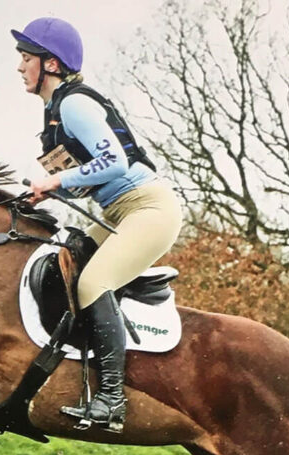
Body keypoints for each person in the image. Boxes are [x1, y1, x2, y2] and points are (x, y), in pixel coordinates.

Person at [13, 17, 182, 431]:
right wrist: (49, 192)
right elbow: (88, 178)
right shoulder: (54, 115)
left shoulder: (73, 103)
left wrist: (55, 180)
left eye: (25, 58)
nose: (19, 67)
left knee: (93, 283)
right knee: (65, 264)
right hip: (116, 211)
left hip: (147, 209)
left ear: (50, 64)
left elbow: (115, 162)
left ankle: (111, 400)